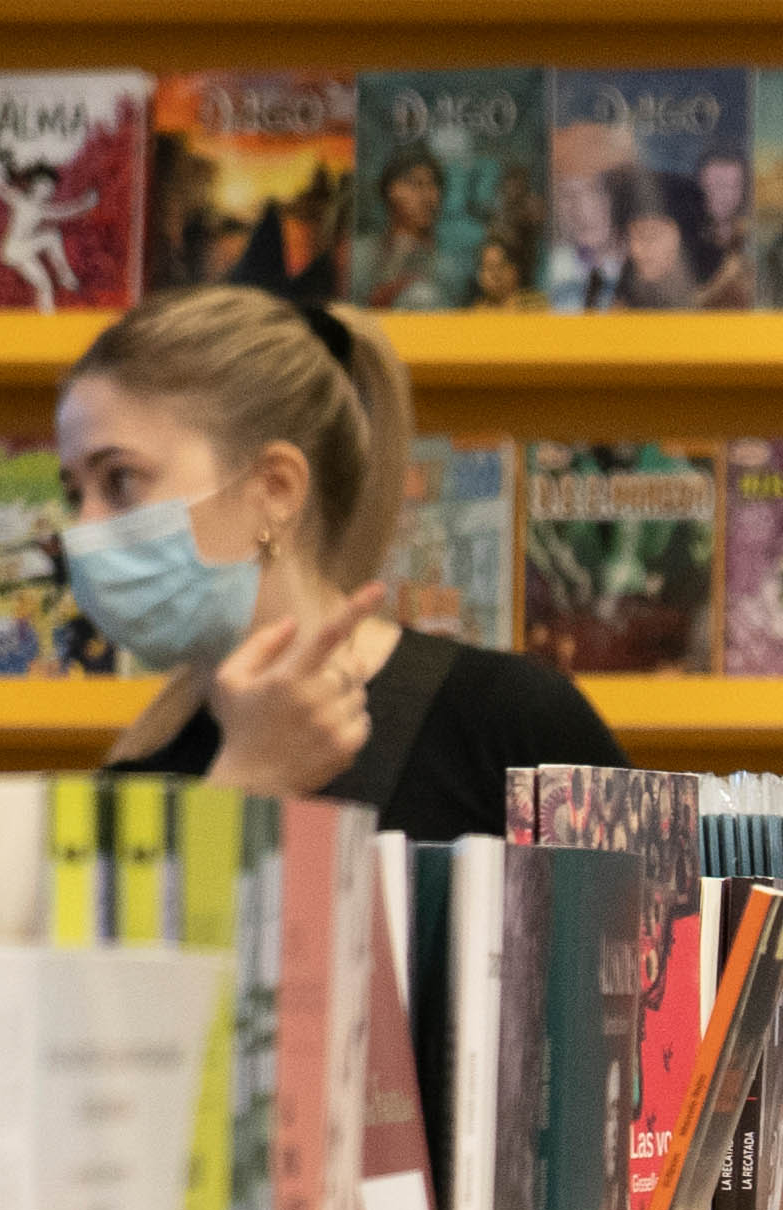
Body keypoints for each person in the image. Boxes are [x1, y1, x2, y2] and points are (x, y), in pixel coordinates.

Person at [59, 285, 635, 830]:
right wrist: (250, 781)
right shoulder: (129, 786)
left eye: (121, 480)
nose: (83, 531)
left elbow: (666, 932)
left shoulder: (515, 722)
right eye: (74, 493)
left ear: (277, 487)